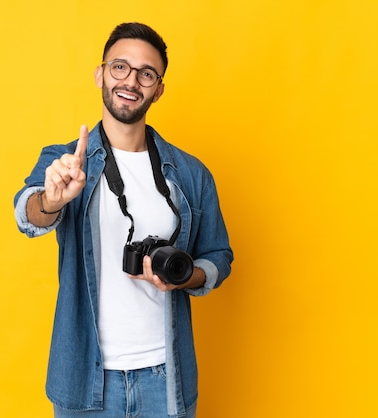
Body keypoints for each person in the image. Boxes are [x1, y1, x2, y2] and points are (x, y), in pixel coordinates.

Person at [14, 22, 233, 418]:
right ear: (100, 73)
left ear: (158, 89)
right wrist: (51, 199)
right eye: (120, 67)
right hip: (84, 379)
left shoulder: (190, 173)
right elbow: (27, 213)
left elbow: (219, 256)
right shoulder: (65, 161)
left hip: (166, 380)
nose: (131, 81)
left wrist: (185, 276)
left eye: (146, 73)